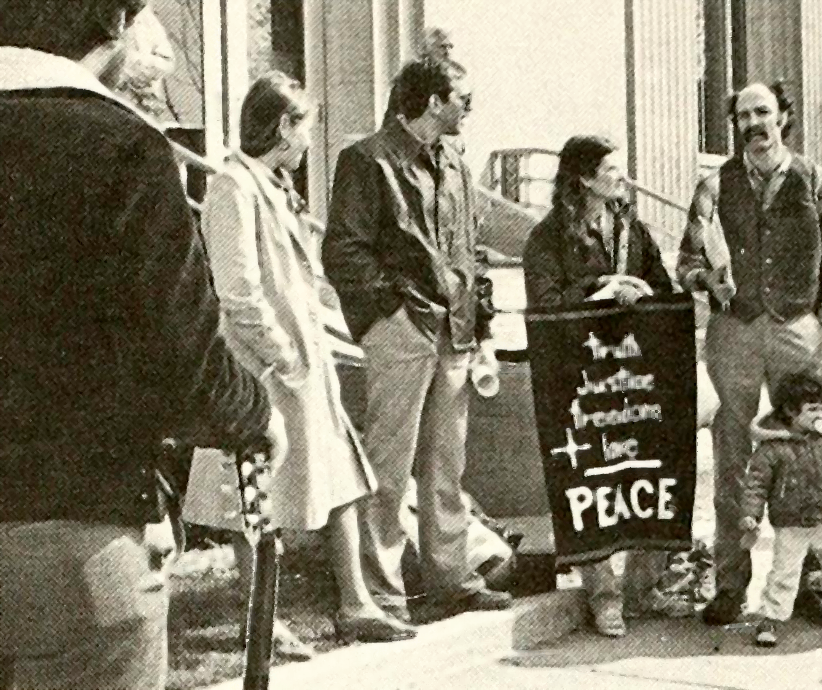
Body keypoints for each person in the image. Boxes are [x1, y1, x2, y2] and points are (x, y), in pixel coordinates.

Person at [0, 2, 279, 687]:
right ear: (116, 21)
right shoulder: (119, 144)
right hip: (74, 535)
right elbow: (182, 367)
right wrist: (256, 415)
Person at [182, 73, 416, 651]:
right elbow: (238, 292)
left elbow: (301, 280)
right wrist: (283, 357)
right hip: (263, 369)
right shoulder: (233, 187)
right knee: (253, 495)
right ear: (282, 127)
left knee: (341, 476)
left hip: (305, 364)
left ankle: (356, 603)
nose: (310, 141)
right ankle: (260, 618)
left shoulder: (273, 184)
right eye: (304, 126)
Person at [324, 57, 512, 624]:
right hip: (404, 332)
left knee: (446, 467)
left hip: (453, 333)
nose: (469, 106)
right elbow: (343, 251)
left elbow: (470, 248)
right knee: (389, 465)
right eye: (463, 96)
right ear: (433, 100)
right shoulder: (366, 160)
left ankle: (450, 579)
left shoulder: (453, 159)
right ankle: (380, 594)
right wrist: (392, 314)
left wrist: (479, 324)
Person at [677, 81, 822, 627]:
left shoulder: (817, 181)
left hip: (797, 330)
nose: (754, 123)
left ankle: (808, 585)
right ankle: (730, 585)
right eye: (744, 115)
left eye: (763, 112)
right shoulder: (712, 186)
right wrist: (709, 279)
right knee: (732, 462)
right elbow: (684, 265)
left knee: (807, 458)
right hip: (735, 333)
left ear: (783, 118)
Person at [522, 134, 694, 637]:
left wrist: (641, 289)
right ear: (585, 178)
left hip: (635, 376)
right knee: (591, 478)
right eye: (612, 170)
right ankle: (604, 596)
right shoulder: (548, 238)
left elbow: (660, 286)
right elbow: (545, 303)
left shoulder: (630, 229)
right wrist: (602, 289)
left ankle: (644, 587)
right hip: (581, 383)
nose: (623, 177)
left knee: (650, 468)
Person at [740, 373, 822, 647]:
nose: (820, 414)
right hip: (791, 522)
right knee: (784, 571)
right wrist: (751, 514)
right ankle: (771, 618)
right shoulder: (772, 448)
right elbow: (756, 483)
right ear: (790, 411)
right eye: (812, 409)